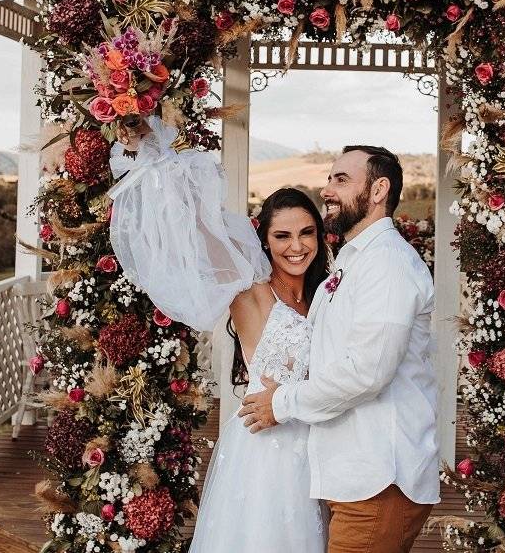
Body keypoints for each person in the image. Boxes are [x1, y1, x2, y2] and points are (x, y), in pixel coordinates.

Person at [107, 117, 329, 551]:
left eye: (306, 233)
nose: (296, 246)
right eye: (282, 236)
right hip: (267, 453)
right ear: (264, 241)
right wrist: (156, 154)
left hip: (320, 444)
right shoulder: (252, 291)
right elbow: (197, 231)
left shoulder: (325, 295)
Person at [239, 145, 441, 553]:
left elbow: (366, 372)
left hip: (379, 479)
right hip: (352, 477)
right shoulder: (353, 262)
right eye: (330, 179)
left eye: (341, 180)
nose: (327, 190)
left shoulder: (387, 264)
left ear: (379, 189)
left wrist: (281, 403)